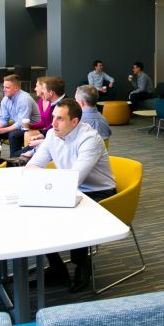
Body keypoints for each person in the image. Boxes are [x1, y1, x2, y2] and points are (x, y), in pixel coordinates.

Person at [26, 99, 116, 292]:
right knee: (35, 212)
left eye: (60, 119)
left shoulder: (90, 138)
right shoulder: (52, 134)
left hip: (98, 192)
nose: (53, 123)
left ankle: (82, 267)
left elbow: (75, 178)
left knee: (75, 214)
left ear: (74, 121)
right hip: (67, 186)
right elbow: (33, 165)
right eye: (53, 118)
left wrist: (47, 184)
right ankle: (57, 267)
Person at [0, 74, 40, 154]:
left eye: (7, 87)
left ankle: (14, 161)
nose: (4, 90)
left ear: (16, 88)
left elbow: (22, 123)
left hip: (32, 127)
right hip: (19, 126)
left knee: (13, 135)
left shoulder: (24, 99)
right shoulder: (5, 99)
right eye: (4, 87)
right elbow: (3, 118)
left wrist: (3, 130)